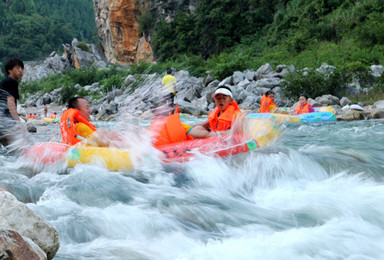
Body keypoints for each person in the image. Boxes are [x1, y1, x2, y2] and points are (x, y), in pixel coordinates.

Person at [151, 86, 242, 147]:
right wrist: (197, 127)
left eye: (224, 98)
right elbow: (209, 123)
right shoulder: (217, 112)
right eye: (218, 98)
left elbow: (236, 131)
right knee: (198, 127)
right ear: (214, 100)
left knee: (197, 129)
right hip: (215, 136)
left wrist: (214, 135)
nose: (221, 101)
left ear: (230, 100)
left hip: (224, 139)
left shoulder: (236, 115)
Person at [0, 58, 24, 147]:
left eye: (22, 68)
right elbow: (10, 102)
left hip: (2, 122)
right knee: (16, 149)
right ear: (9, 70)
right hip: (5, 123)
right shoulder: (11, 82)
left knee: (6, 152)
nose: (20, 70)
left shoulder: (4, 82)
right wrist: (18, 122)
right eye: (17, 68)